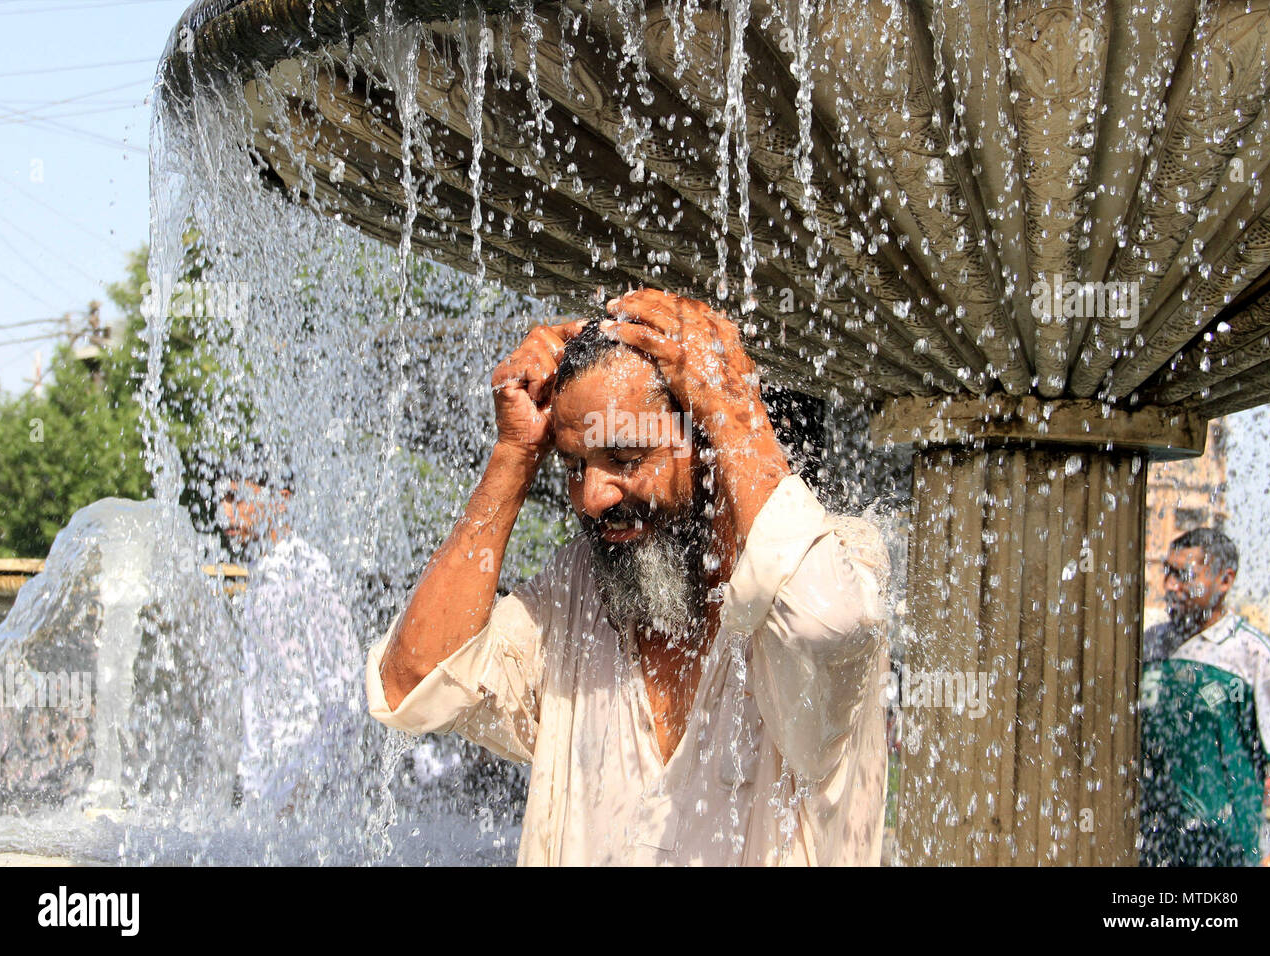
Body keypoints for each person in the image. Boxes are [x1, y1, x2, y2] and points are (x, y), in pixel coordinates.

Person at [366, 288, 890, 866]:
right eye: (572, 466)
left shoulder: (840, 562)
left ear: (711, 443)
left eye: (626, 457)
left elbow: (825, 623)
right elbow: (411, 680)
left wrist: (733, 408)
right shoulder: (577, 591)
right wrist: (514, 454)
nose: (591, 498)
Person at [1139, 527, 1270, 866]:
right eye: (1167, 572)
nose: (1170, 586)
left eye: (1184, 575)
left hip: (1229, 853)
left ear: (1225, 580)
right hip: (1152, 847)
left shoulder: (1254, 657)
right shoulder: (1149, 646)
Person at [221, 466, 362, 814]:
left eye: (236, 498)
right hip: (264, 784)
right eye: (221, 499)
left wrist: (305, 786)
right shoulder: (263, 573)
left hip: (296, 786)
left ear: (281, 501)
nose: (225, 512)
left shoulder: (306, 569)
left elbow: (346, 689)